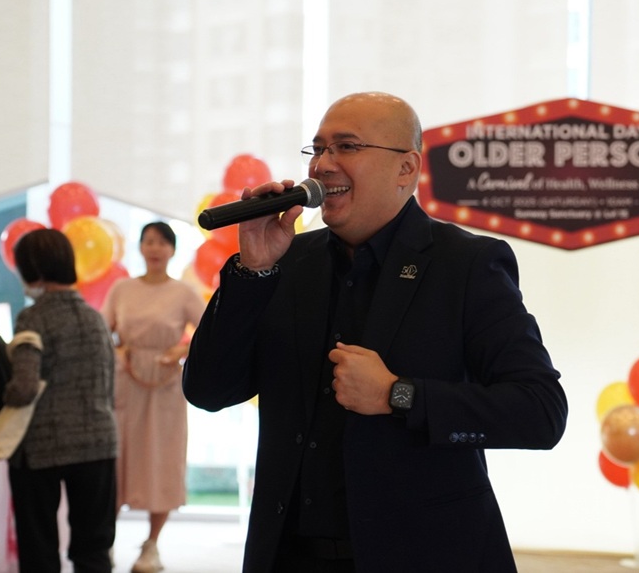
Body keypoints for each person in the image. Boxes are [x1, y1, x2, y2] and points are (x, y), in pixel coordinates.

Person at [183, 91, 569, 572]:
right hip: (289, 556)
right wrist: (253, 271)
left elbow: (540, 412)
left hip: (424, 556)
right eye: (318, 149)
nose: (322, 165)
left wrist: (397, 394)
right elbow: (208, 390)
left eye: (347, 146)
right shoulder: (287, 261)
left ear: (406, 168)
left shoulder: (466, 264)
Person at [4, 228, 118, 573]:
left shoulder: (33, 317)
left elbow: (24, 387)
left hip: (43, 447)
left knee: (39, 550)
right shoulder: (95, 318)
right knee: (94, 549)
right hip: (99, 443)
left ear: (33, 268)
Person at [101, 222, 207, 573]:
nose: (155, 248)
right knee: (117, 461)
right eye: (148, 241)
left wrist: (181, 349)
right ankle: (105, 542)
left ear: (172, 249)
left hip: (165, 386)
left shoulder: (183, 292)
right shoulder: (122, 288)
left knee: (162, 459)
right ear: (140, 247)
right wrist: (118, 351)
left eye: (162, 242)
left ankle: (152, 544)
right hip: (125, 383)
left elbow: (209, 331)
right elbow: (102, 332)